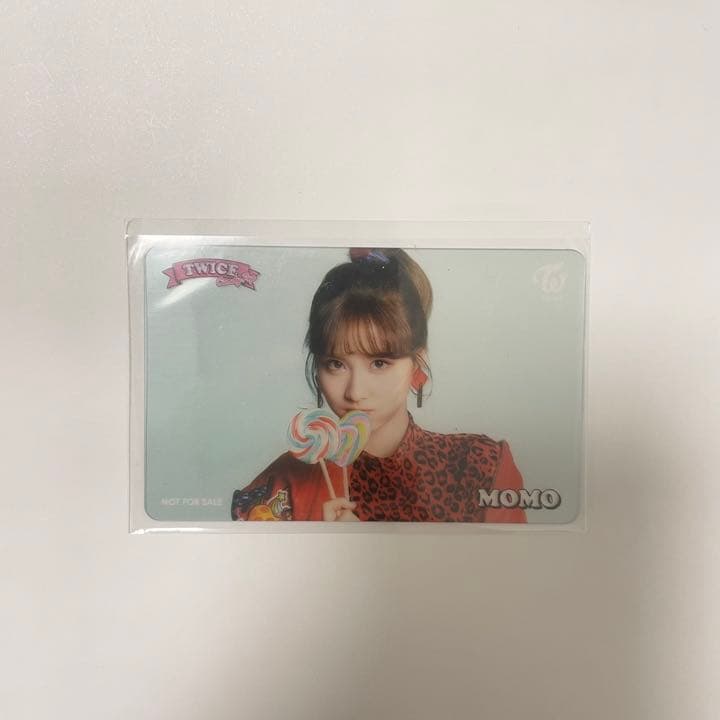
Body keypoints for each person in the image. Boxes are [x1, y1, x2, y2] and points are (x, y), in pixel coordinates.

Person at [231, 248, 526, 523]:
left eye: (380, 363)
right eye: (335, 364)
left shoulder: (480, 466)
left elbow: (513, 562)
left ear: (417, 362)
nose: (355, 392)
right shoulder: (284, 484)